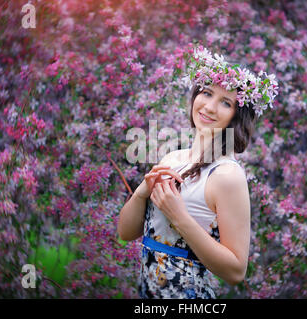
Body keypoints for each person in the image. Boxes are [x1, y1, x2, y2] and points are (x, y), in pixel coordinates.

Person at [118, 46, 278, 299]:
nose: (210, 107)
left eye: (226, 103)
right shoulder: (172, 159)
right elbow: (126, 233)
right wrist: (140, 194)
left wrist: (178, 216)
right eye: (207, 93)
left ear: (237, 117)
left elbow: (236, 271)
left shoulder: (227, 175)